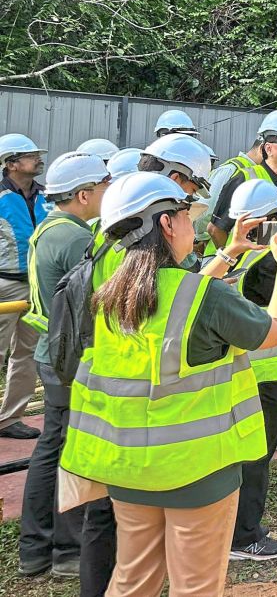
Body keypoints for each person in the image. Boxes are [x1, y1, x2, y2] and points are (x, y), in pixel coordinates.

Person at [59, 171, 277, 597]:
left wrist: (227, 253)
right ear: (166, 223)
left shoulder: (114, 294)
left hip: (130, 470)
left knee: (134, 579)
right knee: (196, 586)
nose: (195, 223)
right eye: (187, 213)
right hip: (198, 474)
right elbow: (275, 329)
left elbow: (181, 297)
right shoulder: (203, 297)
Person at [18, 153, 111, 579]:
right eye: (104, 187)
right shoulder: (75, 238)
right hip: (68, 360)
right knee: (66, 454)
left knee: (52, 448)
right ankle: (63, 548)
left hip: (53, 355)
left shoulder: (52, 227)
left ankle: (38, 548)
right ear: (84, 194)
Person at [225, 180, 277, 563]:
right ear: (276, 219)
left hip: (241, 370)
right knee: (257, 459)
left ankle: (233, 529)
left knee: (240, 456)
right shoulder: (269, 262)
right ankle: (245, 537)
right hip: (267, 372)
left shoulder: (234, 255)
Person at [0, 132, 50, 440]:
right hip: (4, 284)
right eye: (32, 156)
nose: (39, 160)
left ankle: (10, 418)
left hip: (32, 286)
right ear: (12, 163)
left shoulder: (46, 195)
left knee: (26, 354)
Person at [208, 110, 277, 251]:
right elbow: (216, 230)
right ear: (268, 148)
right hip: (245, 272)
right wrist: (230, 263)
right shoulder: (245, 179)